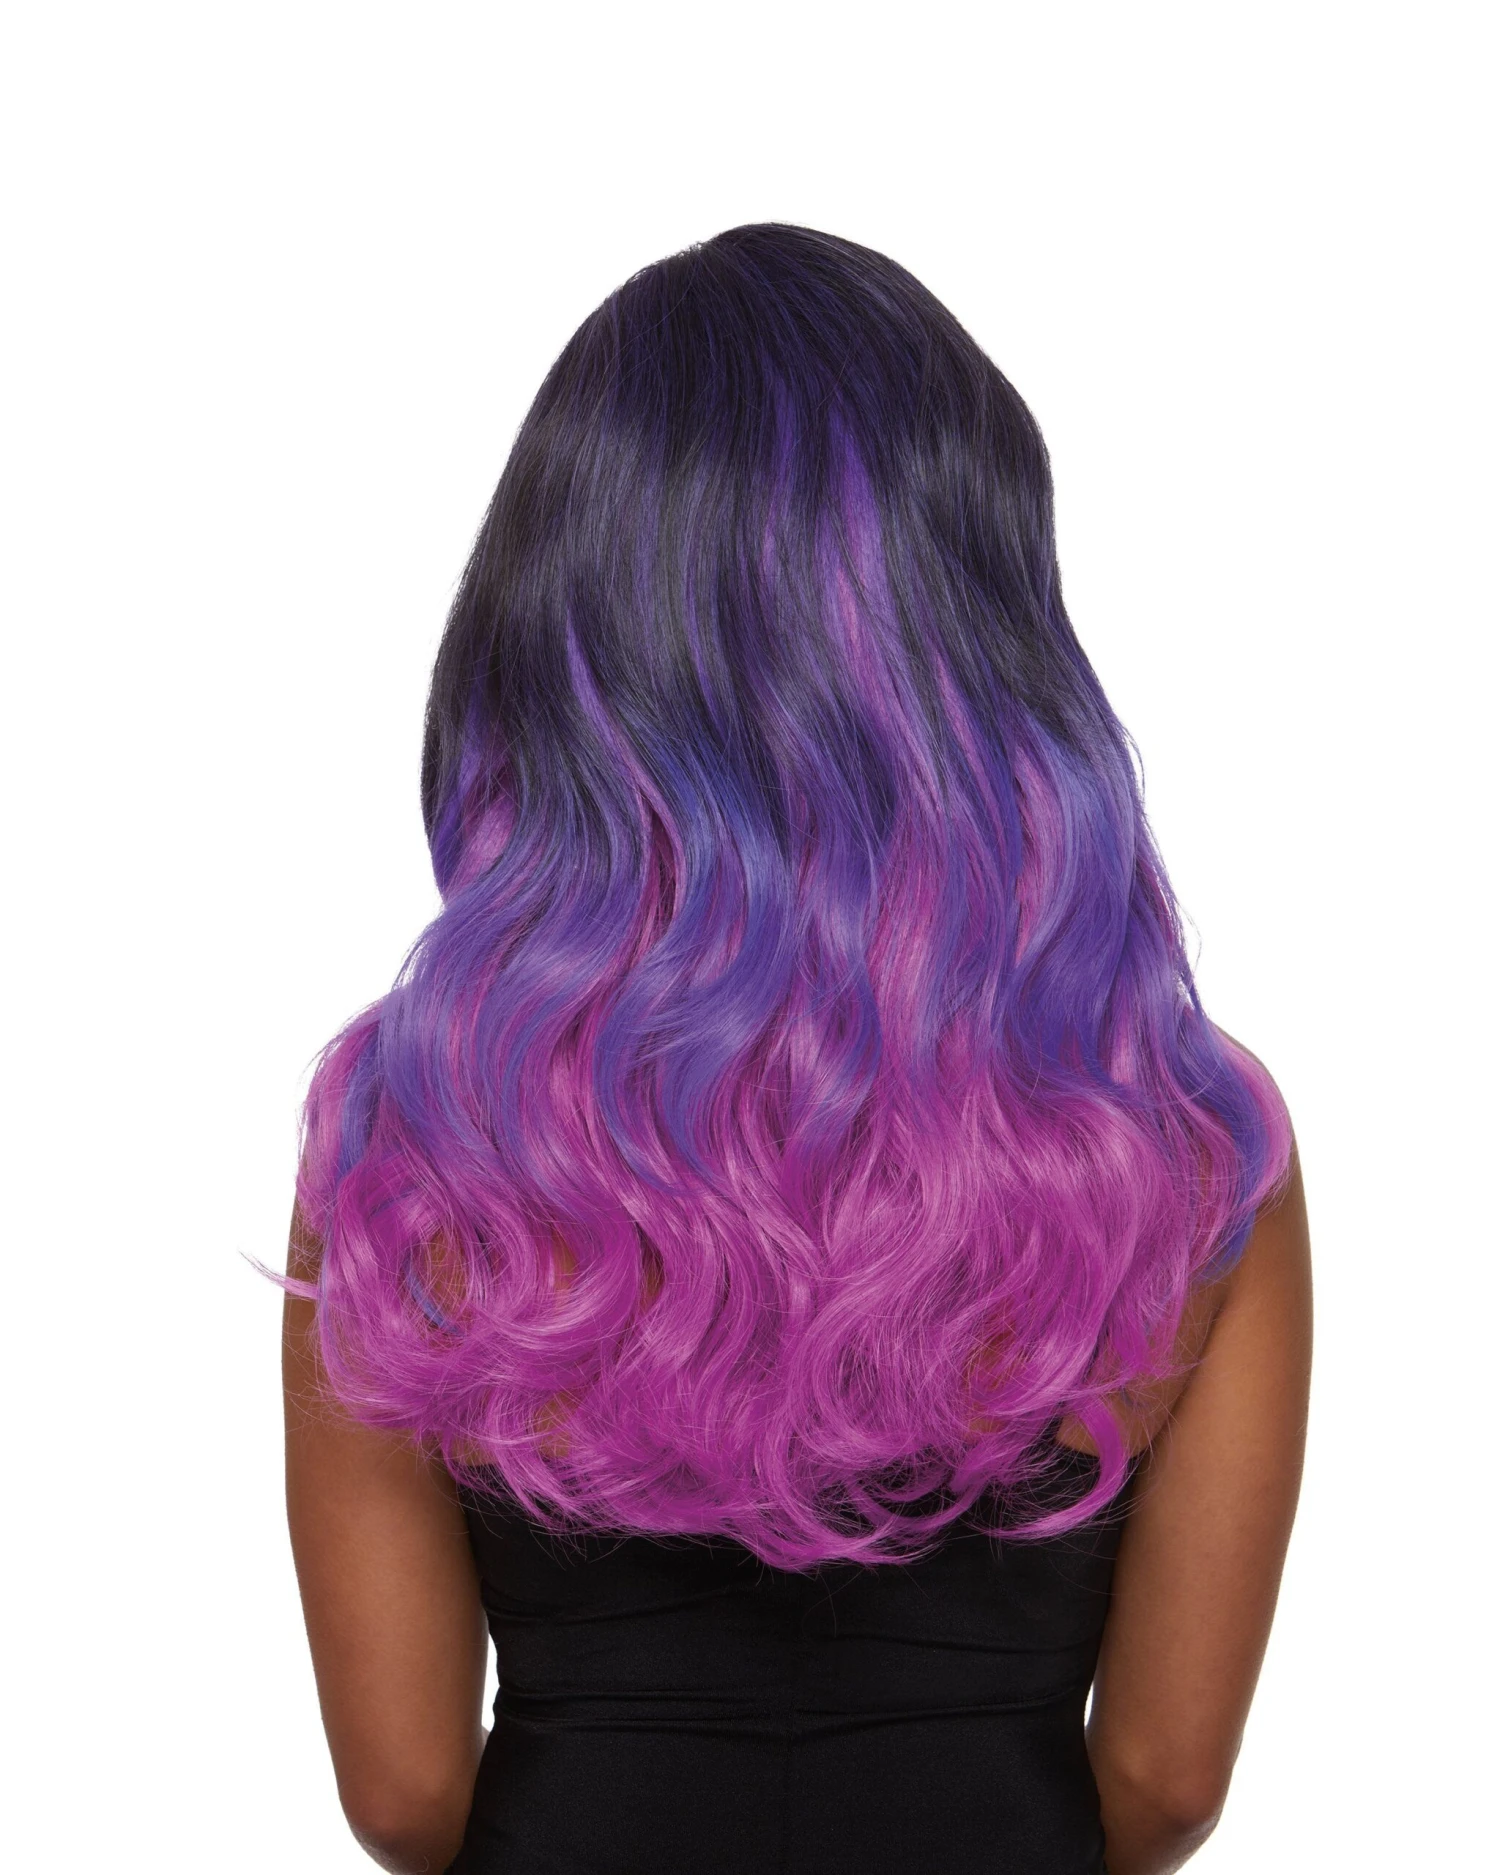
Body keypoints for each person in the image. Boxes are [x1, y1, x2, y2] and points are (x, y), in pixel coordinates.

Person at [278, 223, 1312, 1875]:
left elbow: (403, 1791)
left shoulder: (407, 1133)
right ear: (989, 627)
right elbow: (1169, 1777)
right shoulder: (1188, 1141)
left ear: (552, 633)